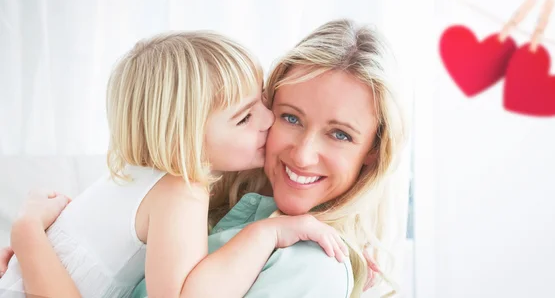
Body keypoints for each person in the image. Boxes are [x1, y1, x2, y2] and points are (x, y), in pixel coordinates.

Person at [3, 18, 408, 298]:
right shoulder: (193, 192)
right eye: (288, 116)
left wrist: (28, 237)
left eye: (340, 134)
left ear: (375, 150)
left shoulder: (312, 264)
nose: (302, 153)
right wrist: (32, 246)